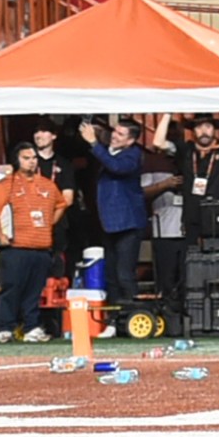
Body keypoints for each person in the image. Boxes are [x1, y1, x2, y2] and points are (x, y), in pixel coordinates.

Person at [0, 139, 67, 341]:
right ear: (16, 160)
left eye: (34, 158)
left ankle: (31, 327)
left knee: (34, 291)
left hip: (41, 246)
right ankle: (6, 328)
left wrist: (49, 224)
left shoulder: (47, 185)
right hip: (16, 246)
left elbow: (61, 204)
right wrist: (0, 235)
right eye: (26, 158)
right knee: (12, 287)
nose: (31, 162)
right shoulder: (7, 185)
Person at [79, 116, 150, 306]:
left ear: (131, 140)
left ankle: (134, 313)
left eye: (120, 134)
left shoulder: (133, 154)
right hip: (109, 222)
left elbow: (117, 167)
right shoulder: (110, 150)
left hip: (128, 223)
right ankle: (114, 317)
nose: (115, 136)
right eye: (115, 131)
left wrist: (94, 142)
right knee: (110, 273)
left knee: (124, 273)